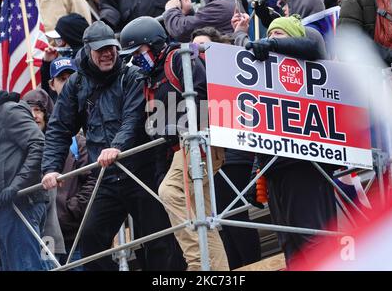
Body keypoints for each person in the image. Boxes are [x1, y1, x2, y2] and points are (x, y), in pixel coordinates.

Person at [41, 21, 184, 271]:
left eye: (111, 47)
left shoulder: (131, 75)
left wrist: (116, 147)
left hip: (141, 171)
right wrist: (51, 168)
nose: (107, 53)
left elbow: (133, 117)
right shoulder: (75, 84)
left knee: (158, 240)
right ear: (87, 50)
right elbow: (59, 128)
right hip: (105, 177)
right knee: (91, 240)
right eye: (100, 49)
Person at [120, 16, 229, 271]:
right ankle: (216, 271)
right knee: (202, 219)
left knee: (169, 192)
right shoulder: (151, 76)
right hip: (177, 151)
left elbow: (205, 96)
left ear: (154, 44)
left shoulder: (180, 59)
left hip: (197, 141)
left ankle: (197, 266)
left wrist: (181, 126)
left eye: (138, 52)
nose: (134, 58)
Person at [244, 17, 338, 268]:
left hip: (306, 164)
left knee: (315, 239)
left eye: (279, 33)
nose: (272, 37)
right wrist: (257, 172)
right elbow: (261, 127)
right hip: (275, 169)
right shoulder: (264, 73)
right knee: (291, 247)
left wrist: (272, 43)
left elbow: (313, 48)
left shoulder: (310, 53)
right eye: (270, 32)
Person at [191, 26, 261, 270]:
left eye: (202, 47)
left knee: (235, 216)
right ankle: (235, 268)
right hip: (213, 158)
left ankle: (251, 265)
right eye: (193, 49)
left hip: (235, 155)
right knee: (224, 220)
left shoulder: (228, 71)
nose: (197, 53)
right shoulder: (195, 81)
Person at [0, 66, 48, 271]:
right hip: (3, 208)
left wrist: (16, 186)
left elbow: (39, 145)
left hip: (20, 204)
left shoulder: (8, 111)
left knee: (25, 266)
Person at [23, 89, 66, 266]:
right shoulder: (19, 148)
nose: (34, 116)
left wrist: (71, 210)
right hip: (28, 237)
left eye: (38, 110)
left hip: (51, 237)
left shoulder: (56, 147)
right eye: (29, 111)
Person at [41, 13, 90, 102]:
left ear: (72, 39)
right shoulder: (63, 59)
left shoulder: (88, 64)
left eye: (59, 40)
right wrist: (47, 64)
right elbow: (47, 97)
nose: (56, 45)